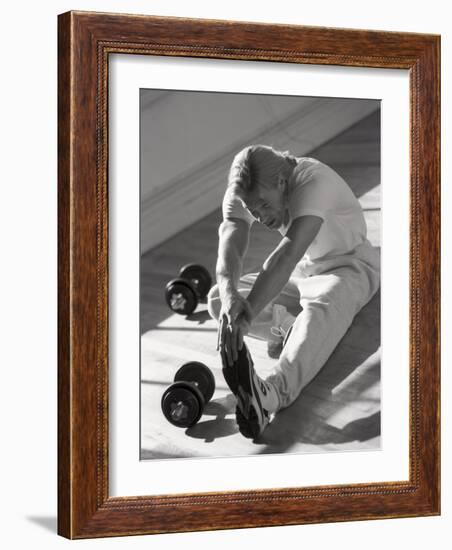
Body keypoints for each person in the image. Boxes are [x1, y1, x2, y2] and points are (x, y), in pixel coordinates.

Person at [207, 144, 380, 440]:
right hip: (305, 269)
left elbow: (285, 255)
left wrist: (246, 315)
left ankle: (270, 394)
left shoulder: (314, 182)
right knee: (215, 300)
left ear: (282, 182)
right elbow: (231, 239)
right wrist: (229, 296)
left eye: (263, 205)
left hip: (349, 267)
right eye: (252, 209)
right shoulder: (247, 188)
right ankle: (287, 328)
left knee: (319, 312)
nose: (259, 216)